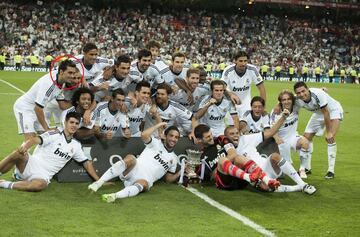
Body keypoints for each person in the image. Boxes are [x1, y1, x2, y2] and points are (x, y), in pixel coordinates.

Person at [0, 112, 100, 192]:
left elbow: (87, 163)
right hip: (31, 164)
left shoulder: (76, 145)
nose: (74, 125)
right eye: (71, 122)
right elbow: (35, 140)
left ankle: (3, 183)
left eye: (77, 123)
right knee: (18, 153)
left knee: (40, 185)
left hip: (43, 175)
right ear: (65, 123)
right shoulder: (54, 134)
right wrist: (25, 147)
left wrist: (99, 181)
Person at [88, 122, 182, 202]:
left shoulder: (173, 158)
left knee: (144, 184)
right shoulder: (156, 143)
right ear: (165, 136)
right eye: (171, 136)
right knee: (131, 158)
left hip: (145, 179)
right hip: (133, 169)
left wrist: (181, 172)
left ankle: (114, 196)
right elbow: (144, 135)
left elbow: (168, 179)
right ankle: (99, 183)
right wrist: (160, 124)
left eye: (176, 137)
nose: (173, 139)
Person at [224, 125, 316, 194]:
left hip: (267, 166)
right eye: (232, 134)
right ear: (226, 137)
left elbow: (270, 132)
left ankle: (303, 184)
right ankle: (298, 188)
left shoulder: (246, 138)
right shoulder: (225, 150)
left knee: (275, 156)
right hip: (254, 175)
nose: (235, 136)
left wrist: (283, 117)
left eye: (236, 133)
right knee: (267, 188)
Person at [194, 124, 280, 190]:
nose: (211, 138)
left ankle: (267, 180)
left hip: (239, 176)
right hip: (225, 182)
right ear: (199, 140)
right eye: (208, 137)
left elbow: (233, 154)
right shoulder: (202, 158)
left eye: (211, 134)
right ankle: (250, 178)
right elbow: (208, 177)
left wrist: (222, 164)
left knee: (238, 157)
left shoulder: (221, 139)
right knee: (222, 160)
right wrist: (221, 165)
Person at [13, 60, 80, 141]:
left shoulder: (61, 82)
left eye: (73, 73)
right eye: (70, 73)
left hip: (37, 108)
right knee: (30, 140)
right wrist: (46, 128)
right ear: (61, 72)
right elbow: (38, 108)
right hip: (25, 108)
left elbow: (63, 105)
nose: (72, 76)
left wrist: (78, 101)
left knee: (47, 138)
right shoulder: (49, 84)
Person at [294, 81, 343, 179]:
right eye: (298, 93)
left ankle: (330, 171)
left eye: (303, 91)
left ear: (308, 89)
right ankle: (307, 168)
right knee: (306, 138)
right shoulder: (297, 100)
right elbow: (286, 103)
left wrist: (329, 132)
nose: (301, 94)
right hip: (318, 114)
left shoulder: (317, 94)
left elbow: (326, 113)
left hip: (333, 111)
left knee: (330, 138)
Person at [270, 90, 310, 179]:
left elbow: (302, 94)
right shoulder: (276, 112)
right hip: (281, 140)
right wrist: (276, 137)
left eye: (289, 99)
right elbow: (271, 128)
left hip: (292, 136)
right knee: (286, 172)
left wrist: (320, 91)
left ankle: (302, 169)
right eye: (284, 100)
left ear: (292, 100)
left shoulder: (296, 106)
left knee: (305, 143)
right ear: (280, 101)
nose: (287, 101)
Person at [221, 51, 266, 119]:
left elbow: (261, 88)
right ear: (235, 61)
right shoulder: (228, 70)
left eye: (245, 61)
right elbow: (222, 86)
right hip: (231, 103)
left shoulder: (252, 69)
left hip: (246, 104)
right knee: (233, 128)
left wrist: (263, 106)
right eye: (241, 61)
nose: (243, 63)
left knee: (245, 126)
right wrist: (231, 94)